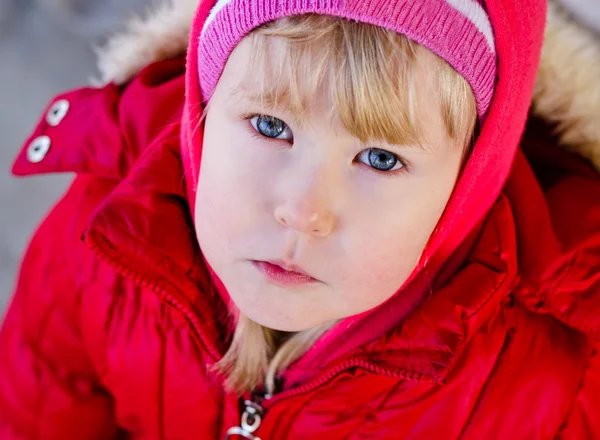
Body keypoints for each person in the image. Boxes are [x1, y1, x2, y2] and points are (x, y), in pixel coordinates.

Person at [1, 0, 599, 438]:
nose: (303, 211)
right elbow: (35, 405)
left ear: (466, 187)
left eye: (381, 158)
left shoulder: (550, 374)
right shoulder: (107, 229)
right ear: (201, 116)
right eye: (269, 126)